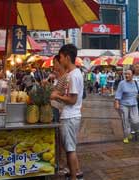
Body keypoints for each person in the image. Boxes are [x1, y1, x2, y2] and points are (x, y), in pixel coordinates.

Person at [51, 44, 83, 180]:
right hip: (69, 116)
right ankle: (73, 175)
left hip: (70, 116)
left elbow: (73, 100)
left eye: (62, 57)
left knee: (70, 150)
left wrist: (56, 96)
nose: (60, 60)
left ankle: (74, 177)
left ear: (67, 58)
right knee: (69, 147)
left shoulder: (74, 75)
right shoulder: (72, 74)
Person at [115, 70, 139, 144]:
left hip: (134, 104)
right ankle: (126, 136)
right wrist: (117, 102)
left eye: (128, 74)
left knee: (135, 120)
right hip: (124, 104)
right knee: (125, 121)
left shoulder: (135, 83)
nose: (127, 75)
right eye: (125, 74)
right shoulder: (122, 83)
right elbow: (118, 93)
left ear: (133, 75)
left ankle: (136, 131)